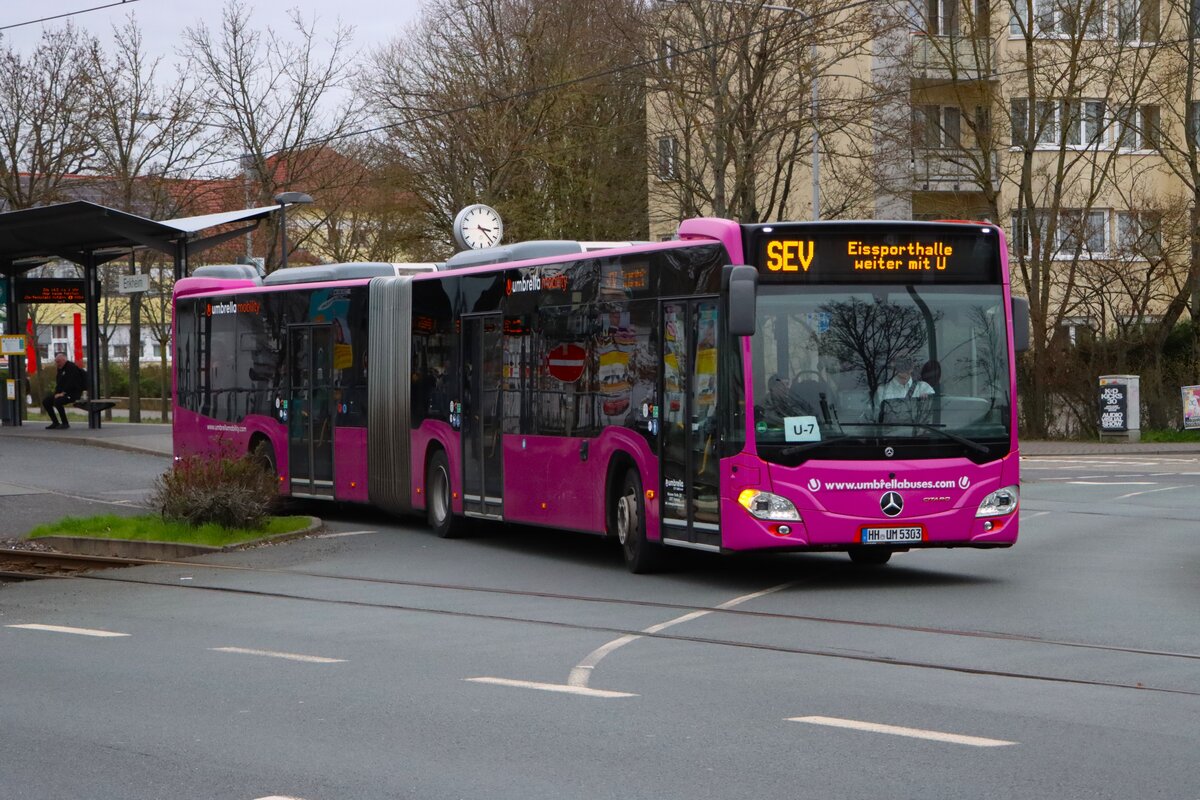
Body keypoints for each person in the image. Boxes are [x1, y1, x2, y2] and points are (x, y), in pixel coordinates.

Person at [42, 351, 87, 430]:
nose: (57, 364)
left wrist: (63, 393)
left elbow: (71, 383)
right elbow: (59, 383)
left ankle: (65, 423)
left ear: (64, 360)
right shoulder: (60, 369)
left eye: (58, 362)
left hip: (73, 393)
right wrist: (56, 393)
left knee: (57, 402)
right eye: (56, 362)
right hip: (62, 393)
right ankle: (55, 422)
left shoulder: (71, 367)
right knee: (46, 401)